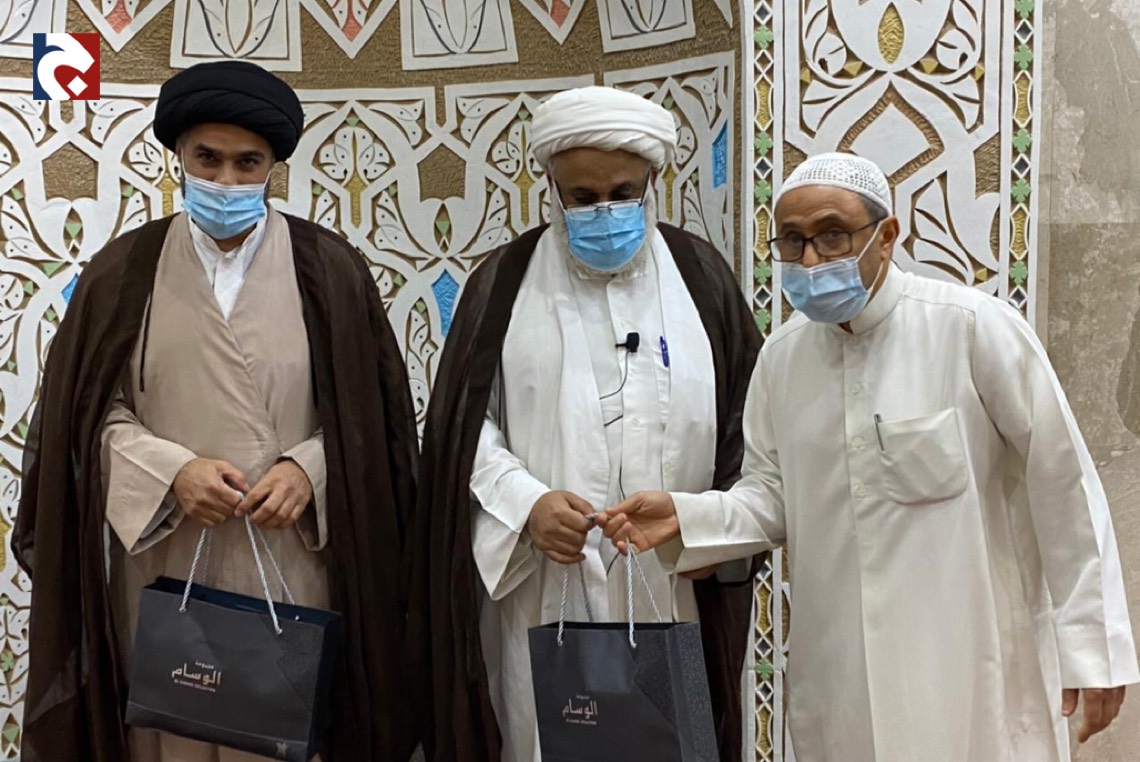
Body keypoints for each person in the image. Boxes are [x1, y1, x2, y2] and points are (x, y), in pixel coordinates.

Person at [600, 152, 1140, 761]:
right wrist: (687, 516)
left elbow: (1063, 482)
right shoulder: (782, 360)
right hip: (841, 674)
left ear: (886, 235)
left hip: (972, 666)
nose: (810, 260)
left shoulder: (971, 329)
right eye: (792, 241)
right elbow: (772, 494)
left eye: (832, 235)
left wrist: (1094, 646)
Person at [12, 61, 419, 762]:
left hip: (295, 559)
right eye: (208, 158)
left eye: (246, 162)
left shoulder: (330, 270)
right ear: (178, 155)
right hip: (162, 563)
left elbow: (375, 420)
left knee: (286, 732)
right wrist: (170, 472)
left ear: (273, 167)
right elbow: (84, 422)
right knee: (167, 734)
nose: (226, 180)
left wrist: (310, 469)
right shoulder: (122, 272)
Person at [406, 86, 763, 762]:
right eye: (583, 196)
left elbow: (750, 433)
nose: (604, 211)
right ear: (551, 188)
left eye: (623, 193)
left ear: (653, 182)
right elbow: (463, 429)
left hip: (672, 585)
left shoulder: (701, 277)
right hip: (544, 585)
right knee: (541, 742)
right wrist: (528, 504)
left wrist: (701, 527)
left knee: (675, 747)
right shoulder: (504, 282)